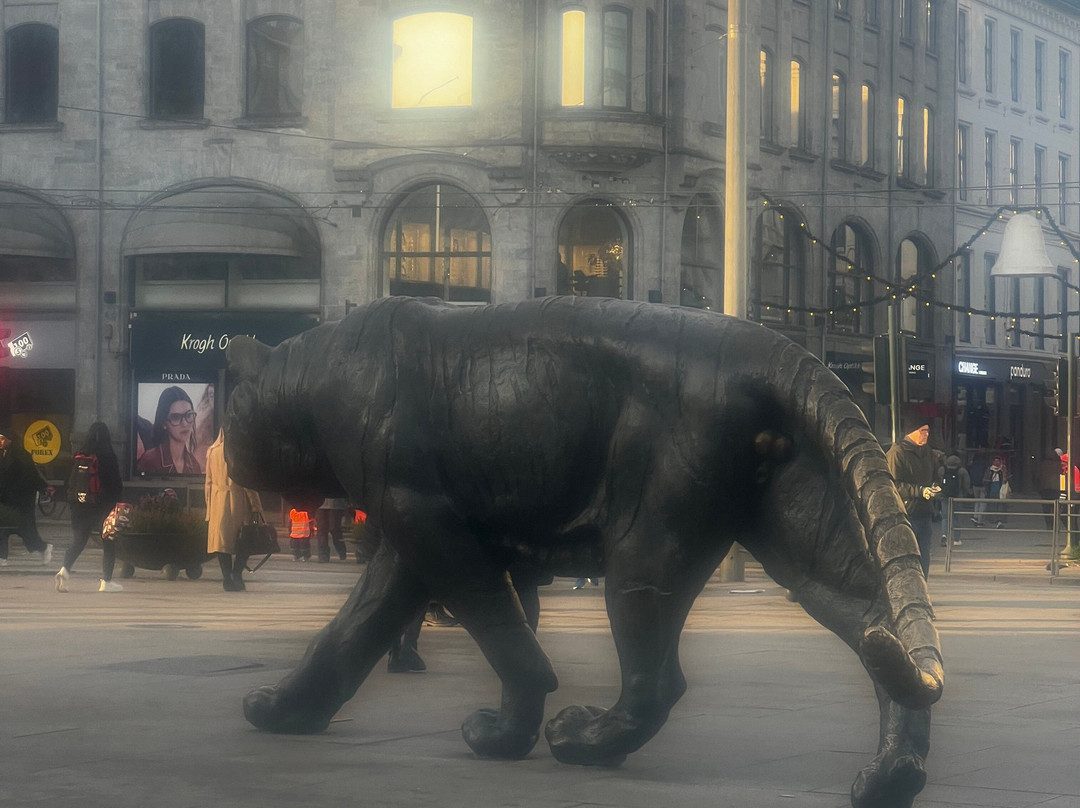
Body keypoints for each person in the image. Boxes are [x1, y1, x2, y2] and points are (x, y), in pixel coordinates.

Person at [55, 422, 124, 592]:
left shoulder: (80, 455)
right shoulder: (107, 455)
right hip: (102, 506)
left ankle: (64, 570)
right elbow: (115, 484)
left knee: (78, 541)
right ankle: (106, 582)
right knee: (108, 543)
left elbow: (68, 482)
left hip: (79, 506)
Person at [204, 429, 264, 591]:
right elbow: (248, 482)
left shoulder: (212, 452)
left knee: (221, 543)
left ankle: (227, 576)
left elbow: (208, 483)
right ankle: (237, 573)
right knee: (243, 540)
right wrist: (256, 506)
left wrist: (209, 508)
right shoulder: (240, 453)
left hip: (218, 502)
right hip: (238, 501)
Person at [885, 417, 942, 577]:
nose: (926, 434)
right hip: (906, 513)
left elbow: (935, 475)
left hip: (925, 512)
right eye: (922, 431)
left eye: (928, 431)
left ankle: (923, 589)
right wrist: (919, 491)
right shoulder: (897, 453)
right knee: (907, 556)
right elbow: (893, 484)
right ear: (911, 432)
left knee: (924, 555)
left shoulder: (927, 451)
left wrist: (935, 486)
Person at [0, 425, 53, 566]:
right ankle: (2, 557)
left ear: (10, 440)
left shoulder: (22, 456)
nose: (0, 442)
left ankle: (43, 547)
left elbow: (32, 476)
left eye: (3, 439)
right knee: (3, 529)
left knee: (26, 531)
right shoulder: (2, 455)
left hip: (20, 500)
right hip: (6, 499)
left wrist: (43, 488)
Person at [137, 386, 202, 475]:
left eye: (188, 415)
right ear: (164, 423)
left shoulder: (194, 465)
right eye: (176, 417)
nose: (185, 423)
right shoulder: (150, 460)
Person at [937, 454, 972, 548]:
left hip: (944, 496)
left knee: (945, 517)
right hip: (957, 496)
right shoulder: (961, 471)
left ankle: (944, 535)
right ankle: (956, 539)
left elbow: (938, 482)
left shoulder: (942, 470)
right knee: (956, 517)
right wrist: (965, 493)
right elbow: (966, 484)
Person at [315, 498, 348, 562]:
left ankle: (341, 552)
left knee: (335, 530)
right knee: (322, 531)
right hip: (322, 504)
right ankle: (323, 555)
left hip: (334, 504)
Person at [982, 455, 1010, 529]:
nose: (996, 462)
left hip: (1000, 488)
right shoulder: (989, 469)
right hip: (991, 488)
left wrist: (1003, 471)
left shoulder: (1002, 469)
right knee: (992, 504)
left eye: (998, 461)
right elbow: (985, 479)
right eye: (995, 461)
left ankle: (1000, 519)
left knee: (1000, 504)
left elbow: (1005, 479)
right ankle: (992, 518)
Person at [967, 453, 990, 527]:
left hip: (974, 485)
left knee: (976, 501)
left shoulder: (971, 466)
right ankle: (979, 521)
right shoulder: (984, 465)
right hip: (983, 485)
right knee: (983, 502)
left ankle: (975, 516)